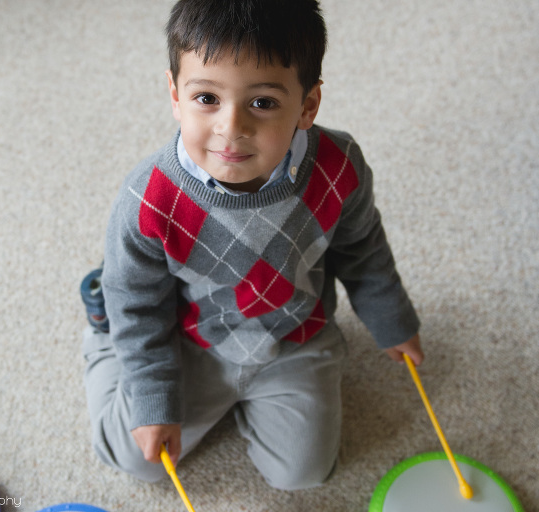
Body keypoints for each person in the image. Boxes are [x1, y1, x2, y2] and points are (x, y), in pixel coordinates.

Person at [81, 0, 424, 491]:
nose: (231, 128)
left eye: (262, 102)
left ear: (308, 106)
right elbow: (139, 307)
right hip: (194, 339)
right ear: (175, 94)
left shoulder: (339, 164)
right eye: (207, 99)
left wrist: (392, 321)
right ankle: (99, 328)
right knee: (134, 459)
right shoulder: (147, 199)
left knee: (304, 474)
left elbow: (363, 249)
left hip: (293, 336)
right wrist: (152, 400)